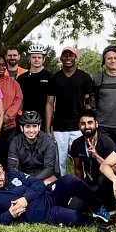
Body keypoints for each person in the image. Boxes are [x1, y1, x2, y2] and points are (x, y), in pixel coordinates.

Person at [0, 163, 112, 227]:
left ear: (4, 172)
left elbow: (38, 183)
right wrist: (10, 215)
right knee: (74, 218)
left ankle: (98, 208)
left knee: (70, 180)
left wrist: (25, 199)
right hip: (45, 213)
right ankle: (96, 221)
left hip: (49, 194)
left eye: (0, 174)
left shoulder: (13, 174)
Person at [47, 46, 93, 176]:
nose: (68, 58)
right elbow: (49, 103)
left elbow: (88, 104)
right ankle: (61, 187)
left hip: (79, 126)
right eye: (65, 55)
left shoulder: (85, 77)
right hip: (59, 127)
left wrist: (89, 124)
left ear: (75, 57)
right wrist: (47, 128)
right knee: (59, 161)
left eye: (71, 55)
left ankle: (82, 186)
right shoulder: (54, 78)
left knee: (81, 160)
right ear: (61, 58)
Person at [68, 110, 116, 216]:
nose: (86, 126)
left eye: (90, 122)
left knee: (102, 179)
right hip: (90, 182)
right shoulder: (77, 143)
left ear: (96, 124)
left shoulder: (106, 142)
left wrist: (96, 156)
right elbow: (78, 168)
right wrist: (80, 187)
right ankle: (94, 201)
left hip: (107, 180)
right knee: (74, 207)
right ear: (79, 126)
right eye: (83, 123)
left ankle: (109, 205)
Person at [8, 110, 58, 182]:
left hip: (44, 176)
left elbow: (49, 168)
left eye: (34, 126)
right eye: (27, 126)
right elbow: (12, 167)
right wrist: (24, 179)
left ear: (39, 127)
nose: (31, 130)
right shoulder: (15, 142)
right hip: (23, 176)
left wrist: (32, 180)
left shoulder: (48, 142)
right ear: (22, 128)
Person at [0, 53, 23, 165]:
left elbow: (18, 99)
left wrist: (7, 116)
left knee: (8, 156)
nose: (1, 68)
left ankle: (9, 178)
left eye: (3, 65)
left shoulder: (12, 82)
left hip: (10, 126)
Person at [18, 45, 54, 118]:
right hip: (25, 119)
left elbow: (52, 102)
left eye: (39, 57)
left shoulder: (50, 77)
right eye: (34, 57)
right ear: (29, 58)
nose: (36, 60)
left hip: (43, 119)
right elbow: (19, 101)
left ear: (44, 59)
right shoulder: (21, 78)